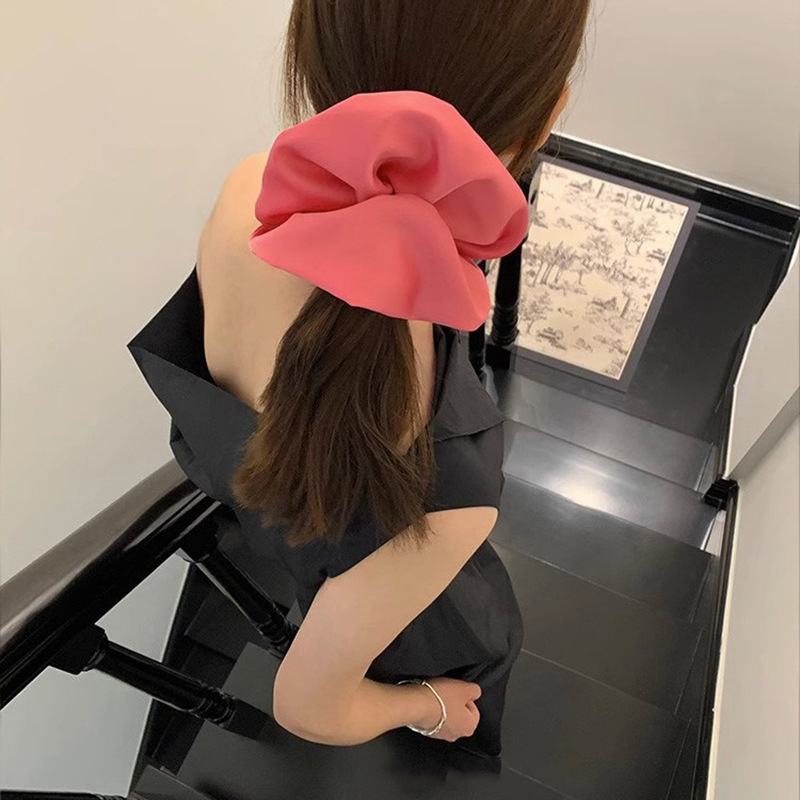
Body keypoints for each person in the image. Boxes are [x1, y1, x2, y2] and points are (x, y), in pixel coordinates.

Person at [127, 0, 590, 760]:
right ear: (547, 118)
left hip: (294, 547)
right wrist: (428, 707)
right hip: (412, 632)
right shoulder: (450, 488)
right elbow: (309, 707)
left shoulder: (251, 190)